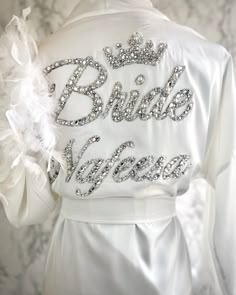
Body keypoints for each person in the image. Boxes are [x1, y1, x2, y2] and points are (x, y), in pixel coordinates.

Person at [0, 0, 236, 294]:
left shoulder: (39, 63)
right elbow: (231, 189)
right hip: (162, 262)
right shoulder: (206, 59)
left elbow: (27, 208)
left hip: (75, 260)